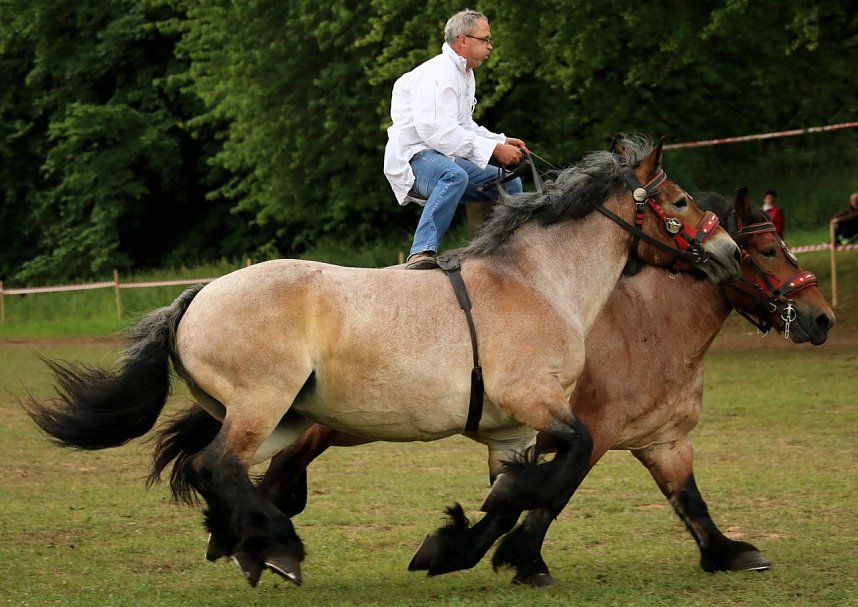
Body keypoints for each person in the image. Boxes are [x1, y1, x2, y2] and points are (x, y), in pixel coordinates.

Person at [383, 9, 528, 270]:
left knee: (510, 182)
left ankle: (510, 250)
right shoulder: (440, 74)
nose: (490, 46)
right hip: (414, 159)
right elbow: (436, 132)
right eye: (485, 40)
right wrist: (494, 150)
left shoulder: (464, 74)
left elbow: (464, 126)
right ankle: (421, 252)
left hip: (443, 157)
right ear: (463, 40)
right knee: (454, 176)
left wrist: (501, 140)